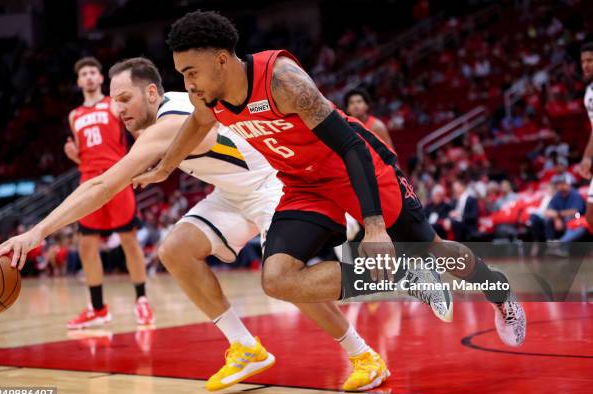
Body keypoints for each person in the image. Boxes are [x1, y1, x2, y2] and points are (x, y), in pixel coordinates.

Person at [0, 57, 448, 392]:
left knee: (285, 281)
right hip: (232, 193)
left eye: (125, 99)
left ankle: (364, 353)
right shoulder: (176, 109)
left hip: (271, 186)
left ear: (152, 93)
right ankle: (244, 346)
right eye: (114, 102)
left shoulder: (163, 126)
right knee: (173, 250)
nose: (118, 110)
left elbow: (104, 185)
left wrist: (35, 234)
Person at [133, 10, 525, 347]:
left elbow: (352, 146)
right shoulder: (208, 97)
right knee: (278, 279)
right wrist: (166, 166)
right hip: (303, 185)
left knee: (436, 250)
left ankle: (500, 292)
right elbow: (197, 125)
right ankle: (406, 275)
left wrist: (374, 230)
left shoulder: (282, 81)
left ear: (221, 60)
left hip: (356, 168)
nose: (187, 85)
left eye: (190, 72)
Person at [65, 57, 153, 329]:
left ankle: (142, 301)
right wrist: (75, 158)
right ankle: (98, 308)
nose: (89, 76)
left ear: (101, 78)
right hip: (89, 182)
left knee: (129, 239)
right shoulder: (74, 115)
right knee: (87, 246)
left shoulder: (114, 105)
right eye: (84, 73)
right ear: (79, 81)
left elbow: (139, 136)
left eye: (93, 71)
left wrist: (143, 165)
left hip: (117, 178)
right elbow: (87, 156)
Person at [576, 43, 593, 224]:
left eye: (590, 60)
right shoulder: (589, 93)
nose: (586, 65)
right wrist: (587, 158)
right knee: (590, 216)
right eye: (583, 61)